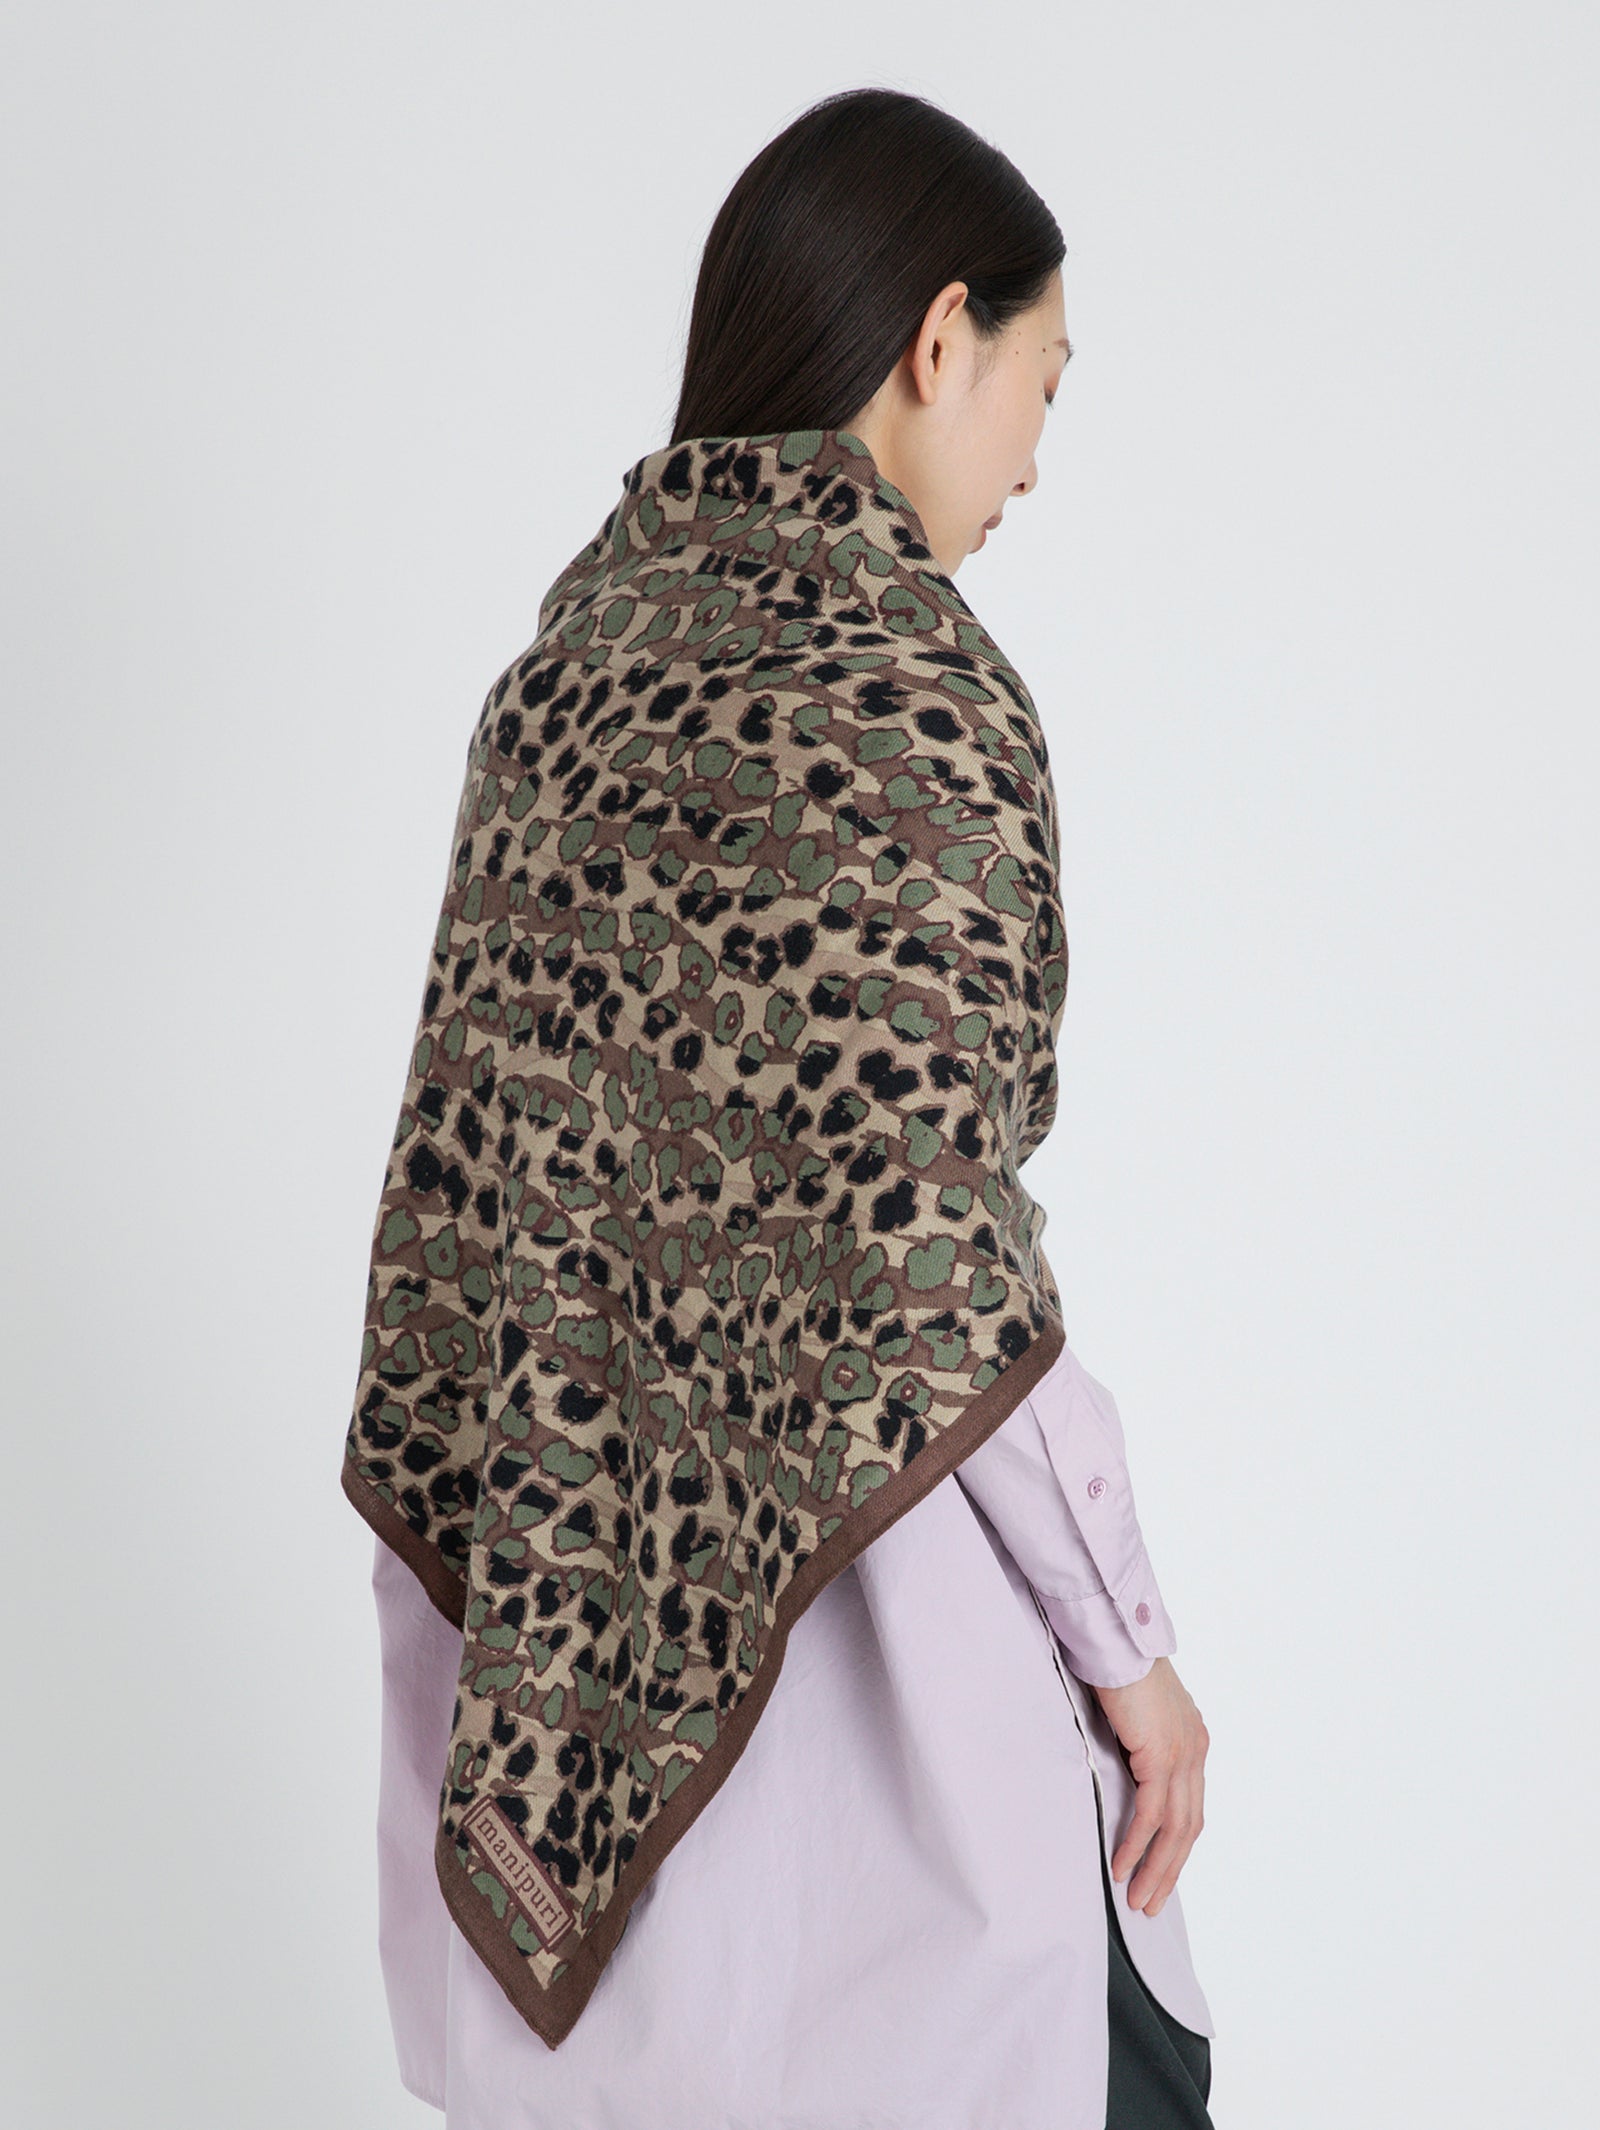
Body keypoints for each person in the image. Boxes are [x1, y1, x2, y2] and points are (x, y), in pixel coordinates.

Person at [346, 85, 1215, 2130]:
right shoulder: (905, 687)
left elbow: (468, 1251)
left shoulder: (558, 687)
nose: (1033, 460)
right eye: (1042, 381)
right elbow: (930, 1243)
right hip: (911, 1767)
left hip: (577, 1781)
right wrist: (1128, 1651)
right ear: (938, 340)